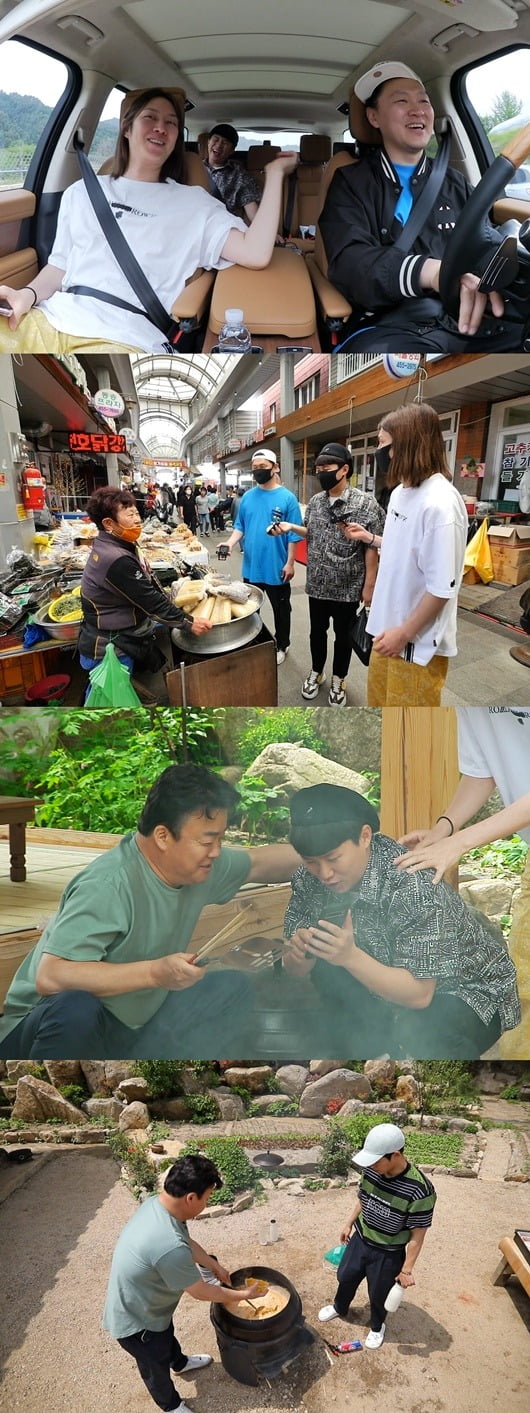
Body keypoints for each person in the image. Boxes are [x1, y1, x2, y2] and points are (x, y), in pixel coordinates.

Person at [0, 763, 301, 1060]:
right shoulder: (108, 884)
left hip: (132, 1026)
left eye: (220, 839)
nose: (217, 851)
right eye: (208, 840)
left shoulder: (199, 866)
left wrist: (331, 853)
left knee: (231, 988)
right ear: (162, 836)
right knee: (75, 1008)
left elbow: (260, 863)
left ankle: (173, 1086)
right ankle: (45, 1099)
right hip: (39, 1032)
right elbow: (52, 976)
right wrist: (157, 973)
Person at [0, 89, 297, 355]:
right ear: (126, 128)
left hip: (123, 337)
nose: (161, 127)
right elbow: (59, 266)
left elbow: (256, 253)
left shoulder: (196, 204)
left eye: (171, 123)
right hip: (49, 318)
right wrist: (26, 295)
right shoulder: (80, 192)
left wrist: (274, 175)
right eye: (150, 117)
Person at [282, 784, 520, 1058]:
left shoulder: (412, 884)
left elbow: (420, 995)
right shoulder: (306, 879)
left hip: (465, 990)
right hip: (381, 981)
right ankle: (366, 1057)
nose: (324, 873)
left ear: (365, 836)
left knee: (424, 1033)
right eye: (312, 862)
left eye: (333, 858)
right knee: (327, 969)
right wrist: (299, 954)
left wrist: (349, 957)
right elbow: (296, 970)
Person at [318, 61, 529, 354]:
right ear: (374, 117)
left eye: (424, 101)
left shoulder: (455, 183)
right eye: (402, 101)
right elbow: (350, 262)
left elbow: (483, 238)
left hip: (470, 317)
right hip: (394, 324)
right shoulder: (350, 183)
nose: (417, 109)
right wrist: (430, 271)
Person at [396, 706, 530, 1059]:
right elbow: (480, 772)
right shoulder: (472, 709)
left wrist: (459, 843)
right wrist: (442, 830)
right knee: (527, 985)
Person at [103, 1153, 264, 1413]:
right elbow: (200, 1291)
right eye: (208, 1197)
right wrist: (244, 1294)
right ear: (191, 1197)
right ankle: (171, 1405)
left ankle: (179, 1363)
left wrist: (214, 1265)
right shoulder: (166, 1244)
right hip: (136, 1321)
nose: (207, 1202)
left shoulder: (159, 1205)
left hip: (152, 1307)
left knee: (165, 1334)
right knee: (154, 1364)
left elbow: (186, 1243)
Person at [352, 402, 467, 706]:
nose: (380, 454)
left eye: (382, 445)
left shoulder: (440, 504)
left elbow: (442, 588)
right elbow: (401, 548)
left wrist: (404, 634)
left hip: (414, 644)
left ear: (407, 445)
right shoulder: (402, 493)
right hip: (385, 634)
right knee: (380, 715)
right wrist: (370, 538)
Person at [271, 442, 384, 705]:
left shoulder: (366, 504)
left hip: (348, 585)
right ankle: (316, 672)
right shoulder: (315, 502)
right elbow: (312, 531)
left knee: (343, 636)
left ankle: (339, 679)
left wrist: (370, 586)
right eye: (318, 468)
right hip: (318, 583)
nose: (321, 472)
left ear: (344, 469)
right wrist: (291, 526)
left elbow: (372, 547)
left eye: (327, 468)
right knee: (316, 632)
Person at [318, 1124, 436, 1350]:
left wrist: (406, 1270)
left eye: (376, 1160)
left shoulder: (420, 1190)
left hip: (388, 1251)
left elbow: (417, 1235)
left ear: (396, 1155)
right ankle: (339, 1307)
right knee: (345, 1276)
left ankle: (377, 1326)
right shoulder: (372, 1170)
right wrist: (349, 1222)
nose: (371, 1165)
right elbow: (364, 1197)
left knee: (378, 1293)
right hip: (361, 1239)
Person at [77, 486, 211, 675]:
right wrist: (188, 622)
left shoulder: (114, 543)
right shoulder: (116, 558)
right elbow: (149, 601)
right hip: (110, 645)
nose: (137, 519)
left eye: (136, 513)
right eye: (130, 515)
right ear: (108, 523)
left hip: (115, 631)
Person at [220, 448, 303, 665]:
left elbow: (294, 535)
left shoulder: (287, 498)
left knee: (281, 610)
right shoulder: (247, 497)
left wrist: (290, 563)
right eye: (254, 468)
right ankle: (254, 640)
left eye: (263, 467)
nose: (258, 471)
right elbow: (240, 526)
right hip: (251, 566)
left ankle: (282, 644)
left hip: (277, 566)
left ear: (275, 467)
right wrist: (230, 543)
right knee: (249, 608)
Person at [204, 123, 262, 221]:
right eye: (216, 139)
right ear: (208, 142)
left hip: (221, 226)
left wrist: (269, 233)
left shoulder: (240, 175)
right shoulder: (194, 168)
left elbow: (252, 211)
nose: (218, 145)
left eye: (225, 142)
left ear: (232, 150)